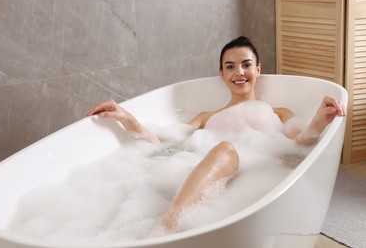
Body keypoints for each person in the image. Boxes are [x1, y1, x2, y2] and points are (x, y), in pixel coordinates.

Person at [87, 36, 346, 233]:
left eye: (246, 65)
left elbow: (300, 142)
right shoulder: (206, 116)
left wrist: (319, 122)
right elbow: (162, 142)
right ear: (222, 74)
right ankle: (166, 228)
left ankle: (164, 230)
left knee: (225, 149)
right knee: (222, 149)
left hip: (256, 176)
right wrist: (126, 117)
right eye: (230, 66)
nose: (239, 72)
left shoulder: (278, 112)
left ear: (258, 69)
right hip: (196, 180)